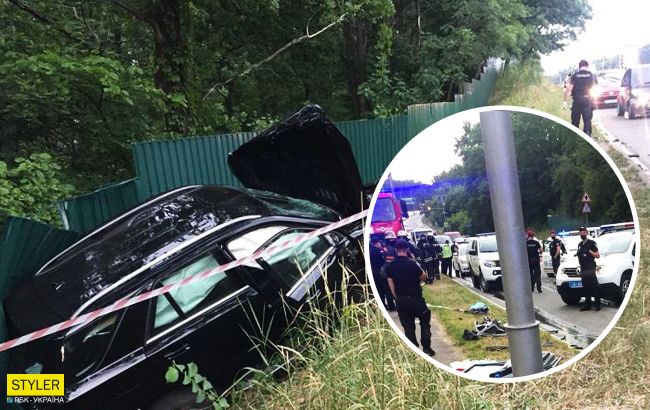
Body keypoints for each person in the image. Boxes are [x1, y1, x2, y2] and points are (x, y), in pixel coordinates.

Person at [386, 239, 435, 356]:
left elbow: (390, 283)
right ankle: (427, 348)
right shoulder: (412, 264)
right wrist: (415, 261)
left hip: (401, 300)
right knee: (424, 321)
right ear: (407, 249)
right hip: (416, 299)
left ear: (396, 250)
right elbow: (423, 277)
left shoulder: (391, 265)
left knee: (408, 326)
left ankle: (415, 349)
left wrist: (396, 297)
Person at [563, 60, 597, 136]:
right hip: (587, 102)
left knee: (575, 124)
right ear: (587, 66)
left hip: (577, 102)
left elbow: (569, 88)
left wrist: (565, 101)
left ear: (579, 66)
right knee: (587, 123)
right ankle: (587, 139)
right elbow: (594, 89)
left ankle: (574, 140)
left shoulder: (575, 75)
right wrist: (594, 101)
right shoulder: (591, 75)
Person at [576, 226, 601, 311]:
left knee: (594, 286)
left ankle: (597, 305)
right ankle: (588, 305)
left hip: (590, 267)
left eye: (584, 232)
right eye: (581, 233)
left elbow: (598, 255)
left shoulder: (591, 243)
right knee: (585, 287)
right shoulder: (580, 244)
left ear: (587, 233)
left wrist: (589, 251)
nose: (582, 234)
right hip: (583, 268)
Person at [369, 235, 396, 311]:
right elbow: (383, 261)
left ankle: (383, 306)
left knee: (379, 290)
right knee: (387, 289)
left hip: (373, 273)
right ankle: (391, 306)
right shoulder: (378, 251)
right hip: (380, 273)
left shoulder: (369, 250)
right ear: (377, 243)